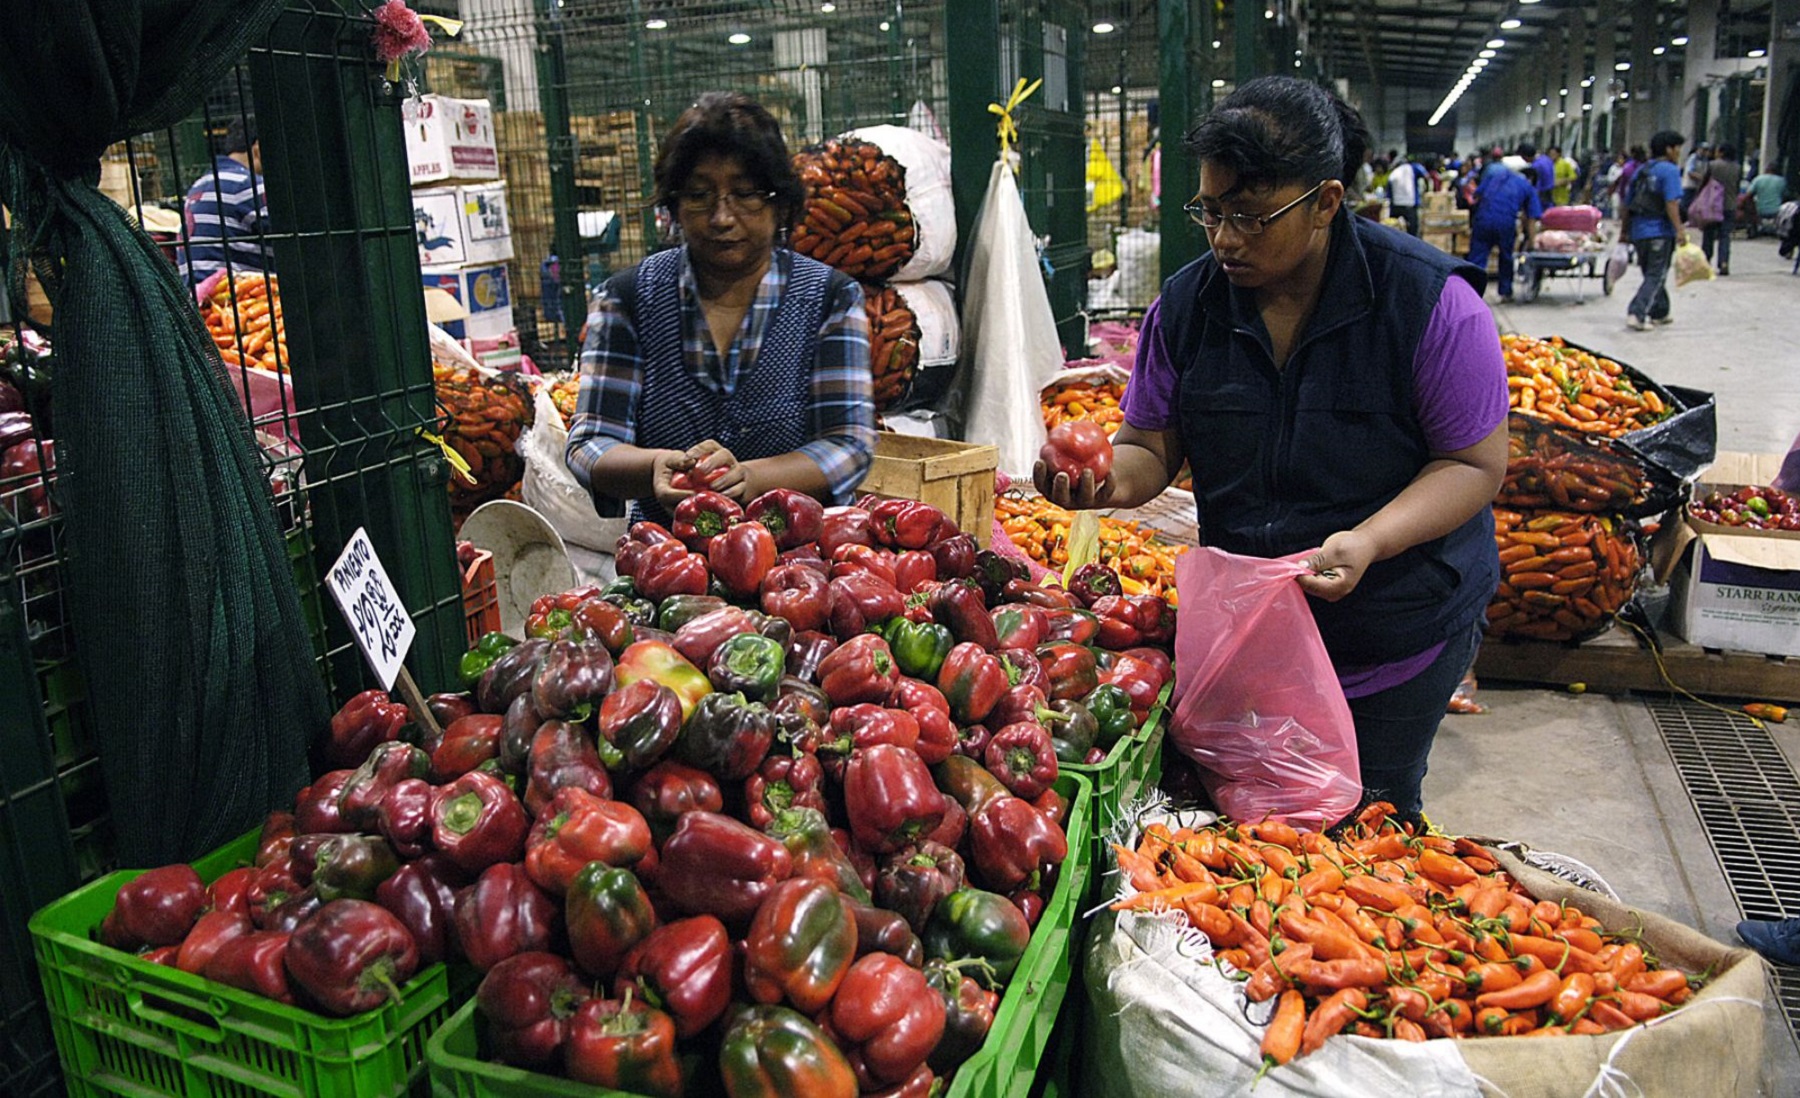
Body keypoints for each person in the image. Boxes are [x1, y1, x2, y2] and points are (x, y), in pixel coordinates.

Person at [1038, 76, 1507, 823]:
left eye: (1252, 218)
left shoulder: (1429, 303)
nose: (1225, 238)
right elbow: (1149, 446)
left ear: (1325, 201)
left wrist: (1369, 541)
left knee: (1372, 820)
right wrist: (1101, 483)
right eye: (1211, 212)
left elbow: (1473, 464)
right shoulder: (1189, 307)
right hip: (1255, 631)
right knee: (1256, 829)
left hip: (1395, 627)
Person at [565, 92, 875, 527]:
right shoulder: (629, 298)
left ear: (779, 203)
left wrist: (749, 478)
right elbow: (591, 442)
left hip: (800, 563)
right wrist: (656, 466)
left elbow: (848, 444)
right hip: (665, 564)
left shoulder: (829, 298)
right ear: (673, 206)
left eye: (746, 194)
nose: (722, 218)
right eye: (698, 196)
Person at [178, 116, 274, 286]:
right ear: (258, 149)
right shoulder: (247, 185)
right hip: (235, 297)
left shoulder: (201, 184)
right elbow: (293, 235)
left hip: (198, 294)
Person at [1621, 130, 1688, 331]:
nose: (1678, 153)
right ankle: (1637, 312)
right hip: (1659, 230)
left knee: (1651, 273)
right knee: (1656, 275)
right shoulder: (1670, 170)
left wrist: (1625, 231)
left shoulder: (1642, 170)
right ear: (1669, 149)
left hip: (1639, 231)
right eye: (1677, 149)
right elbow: (1671, 203)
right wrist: (1680, 230)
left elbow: (1627, 203)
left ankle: (1660, 311)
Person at [1467, 159, 1542, 301]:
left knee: (1477, 257)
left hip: (1483, 219)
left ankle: (1470, 294)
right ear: (1531, 178)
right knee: (1506, 257)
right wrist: (1532, 243)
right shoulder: (1527, 186)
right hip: (1505, 222)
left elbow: (1477, 195)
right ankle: (1505, 293)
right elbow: (1532, 218)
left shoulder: (1494, 177)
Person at [1700, 143, 1740, 275]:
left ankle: (1706, 262)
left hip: (1712, 205)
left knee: (1709, 235)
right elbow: (1737, 186)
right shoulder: (1737, 167)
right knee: (1725, 236)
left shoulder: (1713, 165)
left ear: (1721, 152)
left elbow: (1704, 183)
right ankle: (1724, 262)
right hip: (1729, 205)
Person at [1746, 168, 1788, 237]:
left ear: (1766, 171)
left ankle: (1754, 230)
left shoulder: (1758, 179)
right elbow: (1786, 195)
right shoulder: (1781, 180)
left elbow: (1749, 194)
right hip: (1776, 210)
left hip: (1759, 209)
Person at [1388, 153, 1421, 236]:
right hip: (1410, 204)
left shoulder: (1393, 174)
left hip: (1396, 205)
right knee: (1413, 231)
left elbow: (1389, 193)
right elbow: (1425, 175)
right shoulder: (1413, 168)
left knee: (1394, 229)